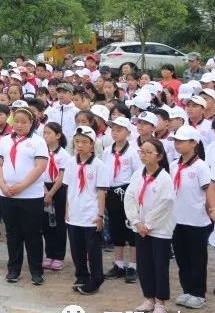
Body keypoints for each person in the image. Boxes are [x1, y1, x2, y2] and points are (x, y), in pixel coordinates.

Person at [0, 103, 48, 285]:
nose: (19, 125)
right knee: (13, 234)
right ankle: (13, 269)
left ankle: (36, 271)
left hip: (31, 196)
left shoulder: (38, 142)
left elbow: (40, 167)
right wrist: (2, 184)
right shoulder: (5, 140)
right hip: (7, 195)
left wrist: (22, 186)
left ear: (31, 123)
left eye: (24, 122)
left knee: (33, 234)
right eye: (16, 121)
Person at [124, 138, 174, 313]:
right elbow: (129, 197)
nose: (143, 155)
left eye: (148, 152)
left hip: (159, 230)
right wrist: (136, 221)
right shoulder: (138, 174)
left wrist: (149, 224)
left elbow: (165, 204)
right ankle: (149, 298)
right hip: (140, 227)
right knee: (144, 264)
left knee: (159, 265)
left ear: (159, 156)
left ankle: (161, 302)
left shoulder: (165, 178)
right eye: (142, 152)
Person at [169, 126, 212, 309]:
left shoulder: (201, 167)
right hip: (177, 220)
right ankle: (187, 289)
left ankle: (198, 293)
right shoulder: (173, 165)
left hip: (197, 221)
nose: (177, 144)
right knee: (182, 257)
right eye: (176, 141)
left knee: (197, 258)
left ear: (193, 143)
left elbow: (209, 193)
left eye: (181, 141)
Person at [65, 126, 109, 295]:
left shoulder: (99, 166)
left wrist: (100, 215)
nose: (80, 145)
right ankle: (82, 275)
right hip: (74, 213)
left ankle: (96, 278)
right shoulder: (70, 162)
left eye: (84, 142)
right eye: (77, 141)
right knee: (76, 248)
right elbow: (69, 188)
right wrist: (67, 211)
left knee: (93, 248)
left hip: (90, 213)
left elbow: (101, 192)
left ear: (92, 145)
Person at [103, 116, 141, 283]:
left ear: (128, 132)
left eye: (119, 130)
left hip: (127, 191)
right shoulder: (107, 151)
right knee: (115, 227)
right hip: (112, 192)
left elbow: (138, 174)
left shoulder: (133, 152)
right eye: (113, 129)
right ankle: (119, 264)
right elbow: (105, 172)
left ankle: (133, 265)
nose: (115, 133)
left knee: (130, 229)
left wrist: (132, 193)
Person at [42, 122, 70, 271]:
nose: (45, 136)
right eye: (44, 133)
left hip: (58, 189)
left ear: (58, 136)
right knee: (46, 223)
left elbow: (62, 175)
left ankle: (58, 256)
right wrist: (45, 191)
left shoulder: (64, 154)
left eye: (49, 133)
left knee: (59, 223)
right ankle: (49, 253)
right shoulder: (41, 152)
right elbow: (38, 170)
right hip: (43, 187)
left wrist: (52, 192)